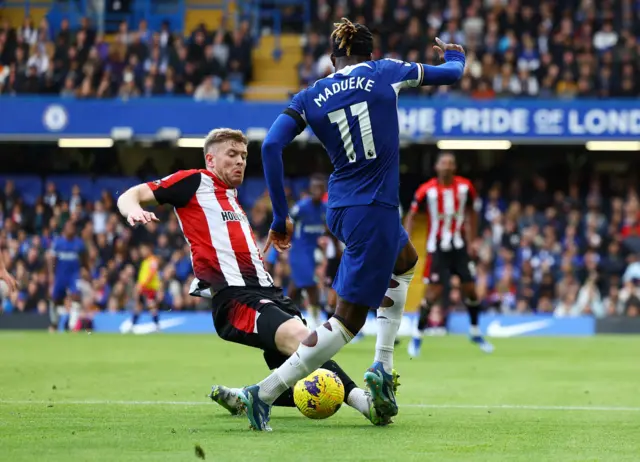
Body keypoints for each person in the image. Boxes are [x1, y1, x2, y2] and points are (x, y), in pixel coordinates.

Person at [247, 18, 465, 431]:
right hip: (375, 207)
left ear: (333, 59)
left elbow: (273, 144)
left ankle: (383, 367)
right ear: (369, 52)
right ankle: (265, 392)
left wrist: (280, 215)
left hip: (342, 206)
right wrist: (455, 54)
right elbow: (453, 74)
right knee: (346, 322)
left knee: (405, 259)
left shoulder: (311, 94)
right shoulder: (386, 71)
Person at [116, 128, 388, 426]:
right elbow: (133, 194)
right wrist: (133, 210)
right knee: (305, 342)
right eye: (232, 155)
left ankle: (248, 395)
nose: (240, 162)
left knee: (302, 366)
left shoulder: (231, 198)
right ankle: (366, 403)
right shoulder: (195, 181)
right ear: (210, 159)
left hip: (269, 293)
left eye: (244, 156)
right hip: (236, 298)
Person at [404, 152, 494, 355]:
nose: (447, 166)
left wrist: (472, 240)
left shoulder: (465, 187)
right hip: (437, 249)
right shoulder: (427, 190)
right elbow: (412, 214)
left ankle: (474, 331)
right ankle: (417, 336)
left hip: (460, 246)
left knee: (470, 289)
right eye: (443, 163)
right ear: (436, 167)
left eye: (450, 163)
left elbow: (472, 211)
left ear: (455, 167)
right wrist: (407, 240)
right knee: (433, 293)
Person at [287, 174, 327, 330]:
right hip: (299, 250)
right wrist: (284, 244)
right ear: (310, 189)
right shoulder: (301, 207)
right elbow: (287, 222)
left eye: (320, 187)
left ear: (324, 190)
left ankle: (284, 311)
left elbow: (328, 229)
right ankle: (315, 320)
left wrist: (325, 239)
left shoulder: (325, 209)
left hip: (314, 252)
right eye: (315, 187)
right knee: (310, 283)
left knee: (297, 284)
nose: (317, 190)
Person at [47, 221, 86, 331]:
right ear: (64, 229)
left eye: (73, 227)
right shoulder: (58, 243)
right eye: (69, 227)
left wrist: (85, 269)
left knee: (76, 297)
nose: (71, 229)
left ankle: (72, 326)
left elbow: (84, 257)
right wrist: (51, 274)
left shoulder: (79, 243)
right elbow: (52, 260)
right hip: (60, 276)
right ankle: (54, 323)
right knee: (55, 299)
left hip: (74, 275)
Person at [127, 243, 161, 333]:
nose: (142, 252)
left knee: (151, 305)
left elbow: (151, 274)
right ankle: (133, 324)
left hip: (150, 288)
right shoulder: (145, 261)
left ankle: (157, 325)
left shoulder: (153, 260)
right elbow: (142, 276)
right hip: (143, 288)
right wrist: (139, 285)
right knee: (139, 306)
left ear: (148, 250)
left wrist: (141, 285)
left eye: (144, 250)